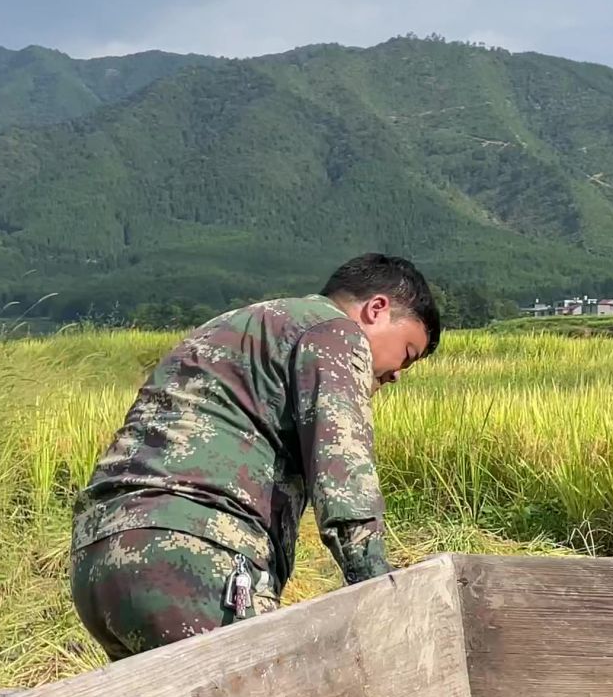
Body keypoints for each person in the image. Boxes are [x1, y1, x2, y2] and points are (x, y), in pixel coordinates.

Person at [70, 253, 440, 660]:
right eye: (407, 352)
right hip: (195, 555)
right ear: (376, 309)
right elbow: (344, 477)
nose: (397, 374)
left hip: (99, 557)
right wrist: (384, 597)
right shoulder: (334, 331)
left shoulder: (239, 326)